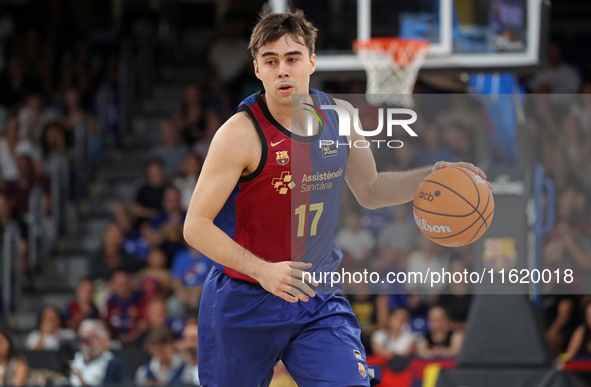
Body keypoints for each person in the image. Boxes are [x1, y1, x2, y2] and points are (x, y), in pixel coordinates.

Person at [183, 9, 489, 386]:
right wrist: (264, 270)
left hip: (316, 294)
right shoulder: (239, 134)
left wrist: (430, 175)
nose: (282, 70)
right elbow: (195, 227)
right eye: (271, 60)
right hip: (244, 300)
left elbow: (372, 190)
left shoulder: (339, 116)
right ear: (257, 68)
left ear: (311, 61)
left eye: (292, 58)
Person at [69, 319, 128, 386]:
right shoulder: (73, 360)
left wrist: (84, 384)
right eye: (82, 339)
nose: (85, 344)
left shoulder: (114, 365)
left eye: (90, 338)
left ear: (102, 340)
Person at [178, 320, 200, 386]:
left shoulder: (212, 370)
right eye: (186, 339)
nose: (189, 345)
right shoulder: (177, 366)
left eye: (194, 339)